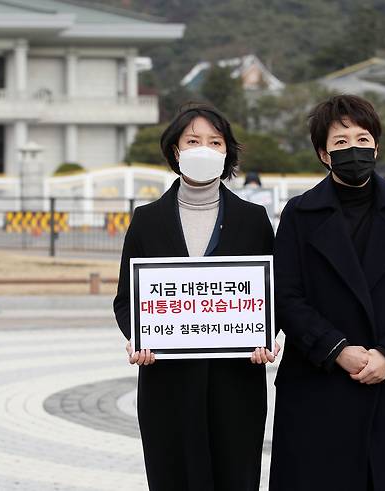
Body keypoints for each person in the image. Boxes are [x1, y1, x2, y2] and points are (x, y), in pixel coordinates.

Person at [269, 94, 385, 491]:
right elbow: (285, 295)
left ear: (377, 146)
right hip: (319, 379)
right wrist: (336, 349)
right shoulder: (299, 214)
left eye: (363, 139)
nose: (355, 149)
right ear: (323, 153)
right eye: (341, 142)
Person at [113, 103, 279, 491]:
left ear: (226, 153)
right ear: (176, 150)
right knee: (173, 475)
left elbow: (273, 291)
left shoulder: (253, 220)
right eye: (193, 140)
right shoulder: (147, 220)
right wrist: (138, 335)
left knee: (235, 474)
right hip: (167, 380)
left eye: (214, 141)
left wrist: (266, 334)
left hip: (236, 379)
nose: (204, 148)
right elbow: (126, 298)